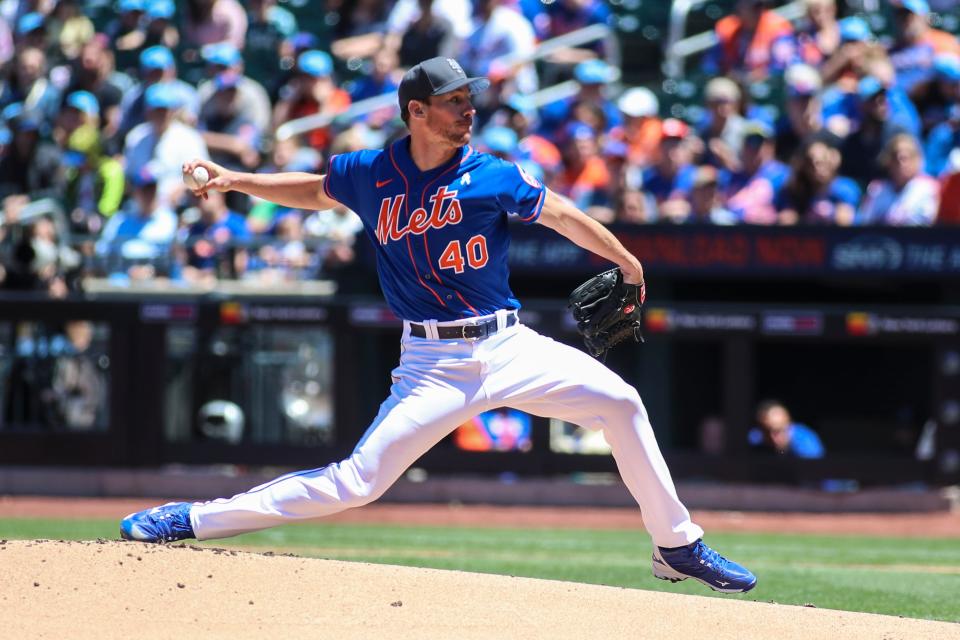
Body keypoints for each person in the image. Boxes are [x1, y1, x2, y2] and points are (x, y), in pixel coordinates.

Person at [120, 56, 756, 594]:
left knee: (622, 402)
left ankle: (677, 544)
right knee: (358, 483)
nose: (467, 111)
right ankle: (192, 519)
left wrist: (625, 257)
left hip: (509, 344)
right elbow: (315, 190)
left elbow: (559, 212)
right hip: (432, 364)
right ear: (416, 111)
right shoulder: (371, 173)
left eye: (468, 101)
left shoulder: (491, 173)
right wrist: (237, 180)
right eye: (452, 103)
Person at [749, 400, 825, 458]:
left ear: (789, 425)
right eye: (767, 432)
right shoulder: (754, 438)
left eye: (778, 431)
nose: (773, 438)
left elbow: (820, 475)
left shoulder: (806, 443)